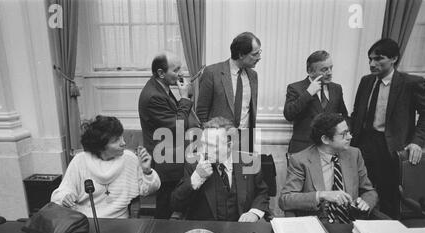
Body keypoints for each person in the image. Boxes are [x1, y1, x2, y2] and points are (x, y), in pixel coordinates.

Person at [350, 38, 425, 218]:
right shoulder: (366, 81)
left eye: (379, 59)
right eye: (370, 59)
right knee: (360, 195)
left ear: (394, 58)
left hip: (392, 149)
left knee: (389, 198)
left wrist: (416, 142)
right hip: (363, 145)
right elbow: (356, 114)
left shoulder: (411, 83)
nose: (372, 64)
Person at [51, 115, 160, 218]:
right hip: (85, 222)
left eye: (122, 137)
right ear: (100, 146)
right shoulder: (80, 161)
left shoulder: (129, 159)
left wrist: (147, 171)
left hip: (121, 223)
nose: (124, 143)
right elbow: (62, 192)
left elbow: (148, 190)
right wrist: (65, 197)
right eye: (116, 140)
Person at [279, 113, 378, 223]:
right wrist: (322, 195)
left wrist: (365, 202)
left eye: (349, 132)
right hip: (317, 227)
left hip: (351, 225)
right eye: (344, 134)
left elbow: (369, 191)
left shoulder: (354, 154)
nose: (350, 137)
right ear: (325, 139)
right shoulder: (300, 160)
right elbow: (285, 200)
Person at [171, 117, 269, 221]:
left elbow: (262, 193)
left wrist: (254, 213)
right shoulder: (194, 163)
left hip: (239, 229)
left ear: (230, 146)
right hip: (205, 232)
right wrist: (196, 178)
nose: (204, 150)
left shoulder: (249, 162)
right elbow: (176, 204)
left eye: (211, 145)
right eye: (203, 143)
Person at [138, 52, 193, 219]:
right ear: (161, 73)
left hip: (170, 156)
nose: (181, 74)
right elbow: (178, 126)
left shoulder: (160, 86)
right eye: (176, 70)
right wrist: (184, 98)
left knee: (171, 202)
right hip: (164, 159)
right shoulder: (153, 96)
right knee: (165, 206)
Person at [196, 32, 261, 151]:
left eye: (259, 52)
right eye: (255, 54)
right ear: (241, 55)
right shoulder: (212, 73)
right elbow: (202, 111)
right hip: (218, 142)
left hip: (245, 140)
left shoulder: (253, 75)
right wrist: (209, 139)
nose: (259, 57)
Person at [284, 50, 348, 154]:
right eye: (324, 69)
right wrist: (308, 93)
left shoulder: (336, 88)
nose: (330, 73)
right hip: (303, 149)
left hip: (329, 148)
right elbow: (289, 114)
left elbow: (344, 115)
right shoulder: (295, 88)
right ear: (310, 71)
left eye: (331, 68)